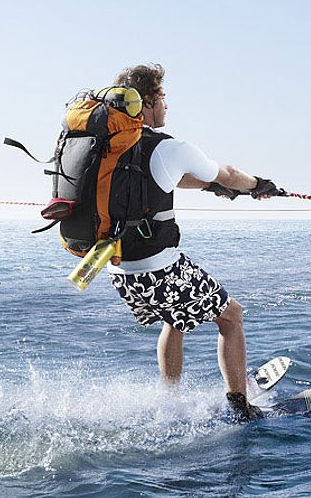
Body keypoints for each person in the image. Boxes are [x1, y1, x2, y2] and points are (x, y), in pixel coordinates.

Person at [102, 64, 283, 419]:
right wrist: (258, 184)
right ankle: (240, 406)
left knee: (175, 318)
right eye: (163, 98)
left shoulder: (115, 147)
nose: (167, 106)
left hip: (121, 269)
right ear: (149, 101)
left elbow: (166, 179)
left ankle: (169, 403)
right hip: (158, 270)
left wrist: (212, 187)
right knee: (231, 317)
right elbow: (228, 173)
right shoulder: (166, 146)